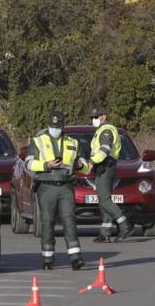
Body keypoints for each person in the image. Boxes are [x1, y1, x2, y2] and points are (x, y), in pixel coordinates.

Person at [25, 111, 91, 271]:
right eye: (53, 126)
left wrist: (79, 166)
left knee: (69, 221)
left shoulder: (73, 143)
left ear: (63, 126)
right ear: (48, 126)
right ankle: (47, 259)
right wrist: (46, 165)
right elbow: (28, 164)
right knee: (47, 222)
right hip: (46, 186)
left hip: (66, 186)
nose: (56, 129)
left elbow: (86, 167)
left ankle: (76, 258)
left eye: (58, 126)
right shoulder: (38, 141)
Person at [88, 108, 134, 243]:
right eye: (93, 117)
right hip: (104, 167)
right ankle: (105, 232)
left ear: (104, 116)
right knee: (104, 202)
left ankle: (125, 225)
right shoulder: (101, 130)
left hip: (105, 166)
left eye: (97, 116)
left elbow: (105, 149)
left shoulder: (106, 130)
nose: (94, 119)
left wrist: (91, 162)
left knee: (104, 200)